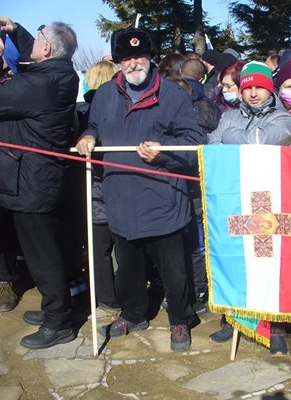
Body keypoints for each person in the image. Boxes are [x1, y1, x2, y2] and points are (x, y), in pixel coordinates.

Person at [76, 27, 205, 352]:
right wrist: (87, 138)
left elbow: (194, 142)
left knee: (174, 271)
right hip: (120, 197)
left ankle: (180, 319)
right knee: (128, 268)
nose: (134, 63)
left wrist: (164, 150)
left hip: (163, 198)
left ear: (151, 58)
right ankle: (133, 313)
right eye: (127, 58)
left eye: (140, 56)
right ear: (118, 62)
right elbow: (93, 125)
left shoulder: (173, 95)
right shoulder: (105, 95)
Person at [0, 17, 79, 349]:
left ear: (48, 48)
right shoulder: (56, 72)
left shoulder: (44, 83)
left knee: (42, 255)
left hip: (32, 182)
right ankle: (54, 307)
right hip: (34, 178)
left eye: (38, 37)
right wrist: (16, 31)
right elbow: (38, 49)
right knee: (44, 250)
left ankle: (59, 322)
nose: (33, 43)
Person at [207, 61, 291, 356]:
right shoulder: (229, 117)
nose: (254, 93)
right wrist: (233, 142)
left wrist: (232, 140)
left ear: (269, 88)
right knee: (236, 260)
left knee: (268, 263)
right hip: (236, 196)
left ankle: (275, 328)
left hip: (270, 200)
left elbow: (263, 141)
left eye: (259, 86)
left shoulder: (284, 118)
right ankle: (233, 319)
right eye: (248, 88)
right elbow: (213, 146)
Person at [180, 58, 222, 313]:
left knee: (194, 243)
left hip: (192, 180)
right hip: (200, 182)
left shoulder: (185, 103)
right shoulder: (210, 103)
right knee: (199, 242)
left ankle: (197, 291)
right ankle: (199, 289)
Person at [78, 60, 120, 310]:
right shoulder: (119, 107)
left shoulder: (84, 111)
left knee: (99, 248)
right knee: (123, 246)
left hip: (96, 186)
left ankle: (107, 296)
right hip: (113, 185)